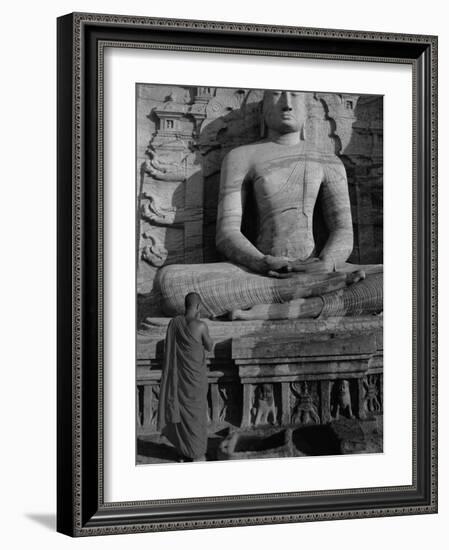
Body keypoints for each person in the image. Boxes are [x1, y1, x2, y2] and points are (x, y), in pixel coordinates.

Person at [156, 90, 382, 320]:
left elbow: (343, 230)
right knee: (171, 284)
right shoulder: (241, 157)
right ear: (263, 111)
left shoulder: (328, 161)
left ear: (307, 111)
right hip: (261, 272)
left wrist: (327, 263)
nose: (287, 105)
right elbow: (227, 233)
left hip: (317, 266)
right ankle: (315, 292)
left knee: (393, 281)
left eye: (295, 97)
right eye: (276, 96)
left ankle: (287, 304)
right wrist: (263, 262)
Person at [157, 292, 214, 461]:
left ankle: (184, 449)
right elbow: (209, 346)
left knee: (183, 413)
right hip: (195, 379)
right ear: (198, 306)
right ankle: (196, 453)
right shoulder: (201, 326)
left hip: (180, 378)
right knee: (196, 414)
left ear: (185, 305)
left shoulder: (175, 323)